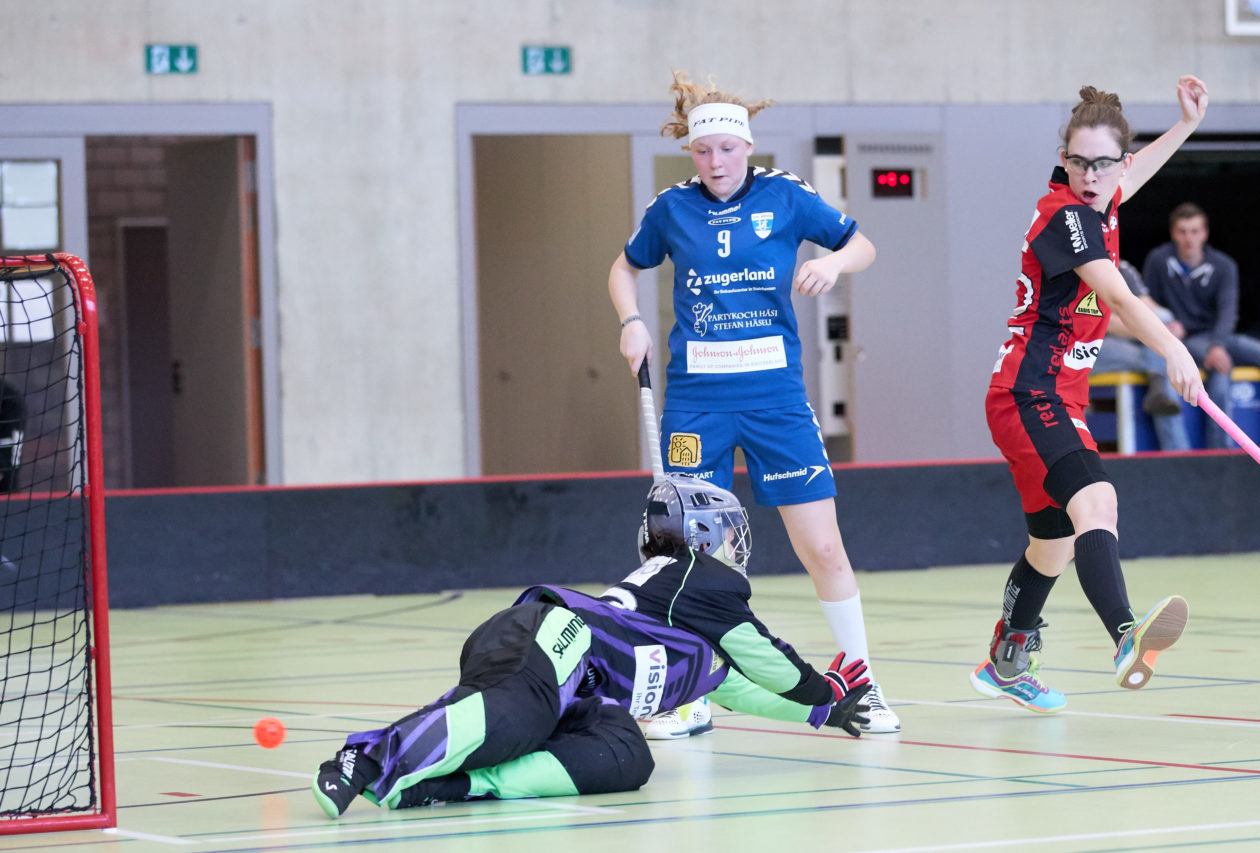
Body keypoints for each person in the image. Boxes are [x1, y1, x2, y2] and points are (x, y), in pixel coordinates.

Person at [310, 474, 874, 819]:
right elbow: (766, 660)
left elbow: (744, 688)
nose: (733, 543)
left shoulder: (691, 636)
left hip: (573, 689)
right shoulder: (699, 576)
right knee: (514, 716)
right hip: (551, 639)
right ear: (702, 537)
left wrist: (822, 710)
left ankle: (458, 786)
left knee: (627, 755)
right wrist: (821, 685)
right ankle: (366, 757)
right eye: (726, 530)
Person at [606, 70, 898, 736]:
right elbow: (624, 267)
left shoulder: (786, 197)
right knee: (685, 556)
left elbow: (863, 242)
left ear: (746, 146)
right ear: (692, 151)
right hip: (696, 402)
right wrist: (630, 320)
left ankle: (862, 680)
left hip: (775, 399)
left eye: (727, 150)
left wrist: (835, 265)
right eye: (704, 151)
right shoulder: (670, 209)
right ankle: (690, 690)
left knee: (821, 545)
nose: (715, 163)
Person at [975, 77, 1210, 713]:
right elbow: (1118, 297)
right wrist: (1175, 351)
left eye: (1102, 163)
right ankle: (1126, 637)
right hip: (1032, 393)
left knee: (1050, 547)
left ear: (1119, 165)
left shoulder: (1102, 200)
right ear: (1066, 160)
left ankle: (1008, 658)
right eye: (1076, 161)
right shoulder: (1066, 215)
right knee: (1096, 501)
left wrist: (1185, 126)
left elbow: (1135, 172)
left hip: (1046, 397)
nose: (1088, 173)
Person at [1142, 202, 1260, 449]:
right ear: (1173, 233)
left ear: (1205, 233)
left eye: (1195, 231)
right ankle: (1219, 455)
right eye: (1182, 231)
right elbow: (1145, 303)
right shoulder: (1159, 260)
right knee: (1220, 371)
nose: (1189, 238)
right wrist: (1167, 324)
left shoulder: (1223, 265)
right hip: (1185, 341)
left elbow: (1229, 312)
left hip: (1221, 338)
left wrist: (1218, 344)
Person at [1090, 260, 1191, 450]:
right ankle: (1178, 453)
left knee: (1162, 342)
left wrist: (1171, 326)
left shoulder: (1122, 266)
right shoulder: (1086, 262)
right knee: (1162, 356)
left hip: (1124, 347)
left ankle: (1157, 385)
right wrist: (1159, 334)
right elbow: (1104, 322)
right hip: (1083, 349)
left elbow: (1150, 307)